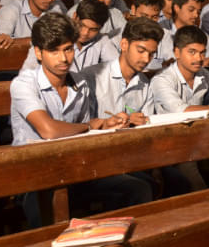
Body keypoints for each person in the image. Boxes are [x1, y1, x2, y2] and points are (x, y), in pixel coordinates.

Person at [9, 12, 152, 226]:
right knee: (43, 215)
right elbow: (49, 130)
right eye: (53, 51)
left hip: (74, 168)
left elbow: (86, 133)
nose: (64, 58)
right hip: (34, 174)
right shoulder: (24, 84)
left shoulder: (79, 84)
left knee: (138, 188)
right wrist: (89, 125)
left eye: (67, 49)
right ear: (38, 53)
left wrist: (104, 125)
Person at [21, 0, 119, 73]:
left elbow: (117, 68)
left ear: (101, 28)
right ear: (75, 17)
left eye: (93, 29)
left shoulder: (102, 40)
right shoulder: (52, 34)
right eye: (81, 25)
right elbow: (27, 72)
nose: (85, 33)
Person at [153, 26, 209, 114]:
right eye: (192, 52)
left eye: (202, 52)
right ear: (177, 52)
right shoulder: (162, 80)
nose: (199, 58)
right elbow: (180, 111)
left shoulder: (205, 74)